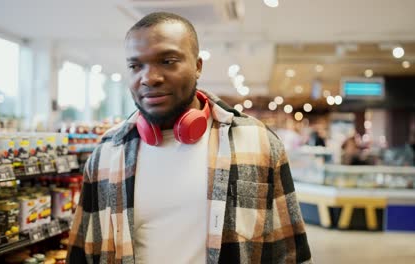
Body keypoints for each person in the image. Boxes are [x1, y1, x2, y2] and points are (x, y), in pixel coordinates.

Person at [67, 12, 312, 264]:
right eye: (135, 65)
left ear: (197, 66)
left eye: (168, 61)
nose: (149, 78)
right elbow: (81, 254)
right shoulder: (107, 153)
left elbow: (289, 253)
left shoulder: (258, 142)